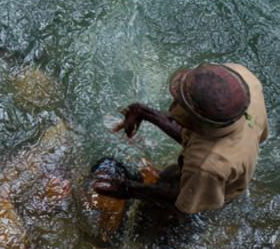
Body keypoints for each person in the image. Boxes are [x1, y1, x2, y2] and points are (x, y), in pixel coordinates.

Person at [94, 63, 269, 215]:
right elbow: (197, 138)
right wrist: (144, 112)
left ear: (201, 123)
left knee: (155, 216)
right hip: (233, 157)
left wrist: (128, 189)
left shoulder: (206, 166)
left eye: (180, 104)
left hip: (214, 188)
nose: (173, 106)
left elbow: (180, 201)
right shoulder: (242, 78)